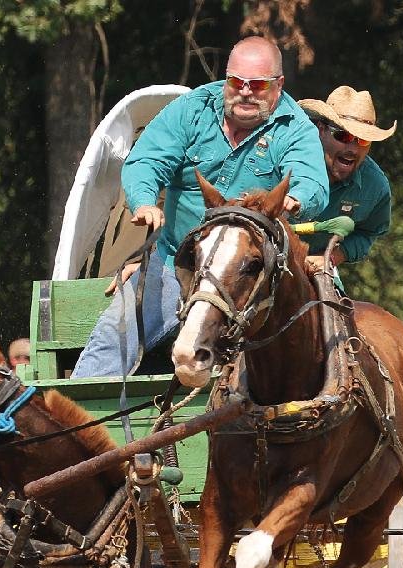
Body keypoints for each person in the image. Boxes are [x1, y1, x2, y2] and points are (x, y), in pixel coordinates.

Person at [71, 36, 330, 378]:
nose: (246, 92)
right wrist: (145, 202)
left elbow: (313, 183)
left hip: (248, 276)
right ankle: (74, 425)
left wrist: (294, 199)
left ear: (278, 85)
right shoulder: (192, 109)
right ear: (227, 78)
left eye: (258, 85)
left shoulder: (295, 129)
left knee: (281, 359)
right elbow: (146, 161)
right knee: (112, 342)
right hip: (175, 261)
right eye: (237, 82)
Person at [296, 86, 395, 280]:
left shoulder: (375, 186)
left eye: (363, 141)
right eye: (344, 136)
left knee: (337, 310)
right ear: (320, 130)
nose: (353, 148)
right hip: (263, 260)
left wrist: (331, 257)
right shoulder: (290, 159)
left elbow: (367, 234)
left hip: (318, 272)